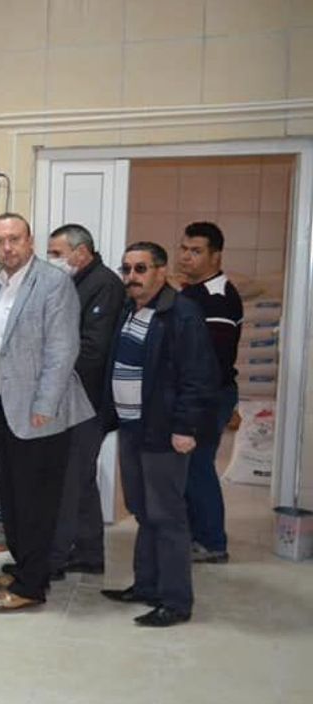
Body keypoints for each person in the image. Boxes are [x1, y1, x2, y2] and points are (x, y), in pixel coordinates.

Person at [0, 213, 94, 612]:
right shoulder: (0, 283)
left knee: (36, 502)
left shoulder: (53, 282)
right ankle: (24, 565)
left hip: (40, 412)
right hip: (5, 405)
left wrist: (45, 404)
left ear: (30, 241)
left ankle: (31, 586)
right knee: (12, 495)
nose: (7, 248)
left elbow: (62, 349)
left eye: (14, 239)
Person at [100, 242, 218, 627]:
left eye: (141, 268)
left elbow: (198, 377)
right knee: (143, 511)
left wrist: (186, 428)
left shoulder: (181, 314)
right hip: (132, 428)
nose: (132, 277)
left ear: (161, 272)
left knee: (167, 516)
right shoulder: (129, 310)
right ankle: (146, 585)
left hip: (165, 432)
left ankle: (176, 601)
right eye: (127, 269)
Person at [46, 224, 125, 578]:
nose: (52, 260)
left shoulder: (104, 285)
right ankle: (89, 552)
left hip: (86, 401)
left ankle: (54, 558)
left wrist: (49, 372)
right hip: (72, 398)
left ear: (81, 252)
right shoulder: (74, 284)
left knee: (68, 480)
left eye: (57, 253)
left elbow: (93, 350)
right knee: (81, 478)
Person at [175, 221, 242, 564]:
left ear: (215, 256)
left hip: (208, 395)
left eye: (196, 251)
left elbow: (212, 360)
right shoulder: (193, 292)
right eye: (184, 249)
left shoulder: (217, 299)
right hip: (199, 394)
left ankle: (212, 542)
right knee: (190, 467)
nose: (186, 256)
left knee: (198, 465)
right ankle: (195, 536)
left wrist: (197, 402)